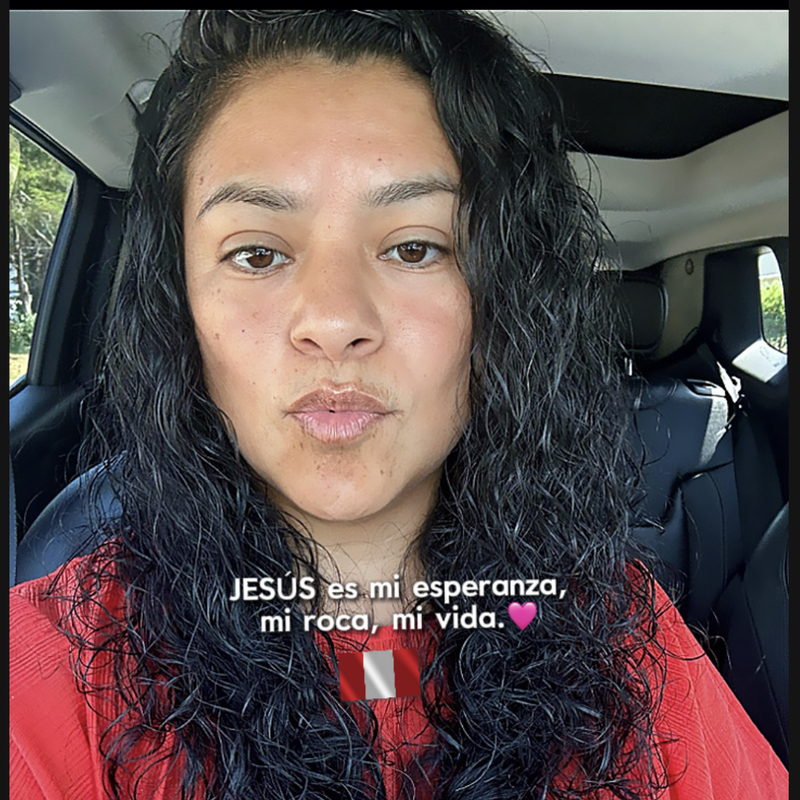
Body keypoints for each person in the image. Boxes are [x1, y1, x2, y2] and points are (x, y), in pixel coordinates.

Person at [9, 10, 788, 800]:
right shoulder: (48, 676)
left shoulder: (619, 635)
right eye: (257, 253)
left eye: (414, 248)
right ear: (179, 307)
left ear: (500, 306)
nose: (335, 320)